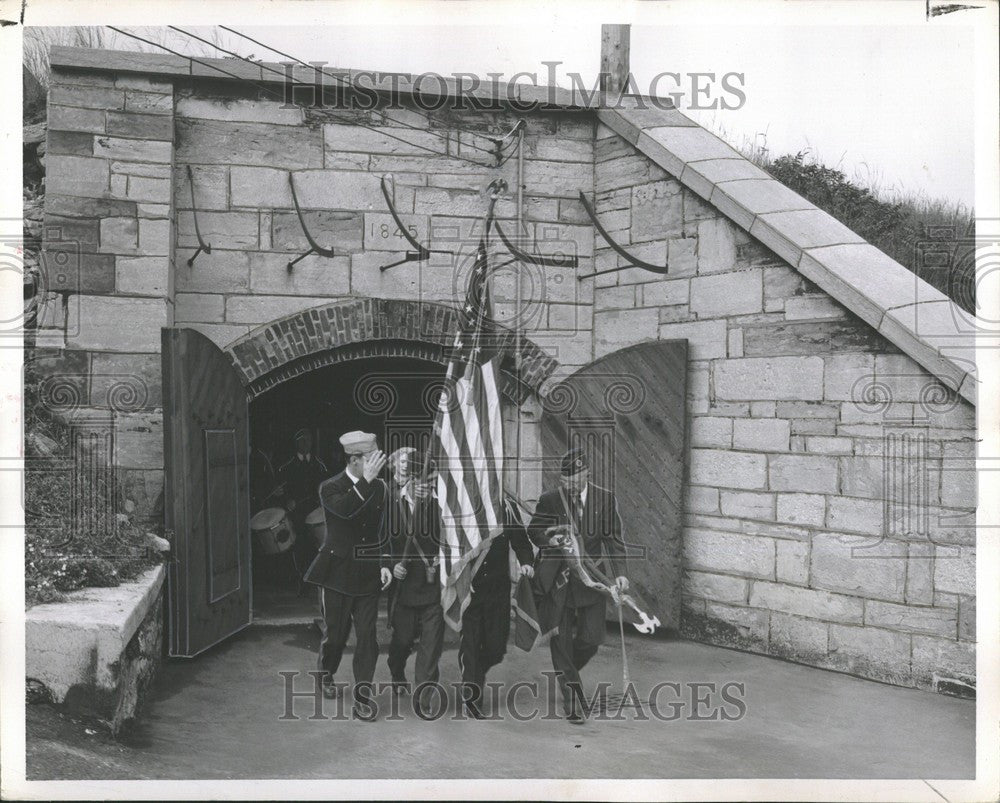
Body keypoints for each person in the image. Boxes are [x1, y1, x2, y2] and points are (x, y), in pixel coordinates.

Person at [528, 447, 628, 723]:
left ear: (587, 474)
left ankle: (568, 673)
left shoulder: (605, 499)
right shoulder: (550, 500)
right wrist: (552, 540)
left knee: (591, 639)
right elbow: (534, 530)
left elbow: (614, 540)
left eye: (574, 482)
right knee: (561, 643)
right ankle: (574, 700)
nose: (569, 487)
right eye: (565, 482)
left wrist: (620, 574)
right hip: (559, 580)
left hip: (591, 581)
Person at [303, 431, 391, 720]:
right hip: (336, 574)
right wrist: (367, 481)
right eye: (371, 458)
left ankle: (362, 698)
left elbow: (384, 530)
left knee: (368, 638)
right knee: (337, 637)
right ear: (355, 460)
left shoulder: (380, 488)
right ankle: (326, 674)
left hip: (367, 575)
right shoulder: (330, 488)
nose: (378, 463)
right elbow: (345, 512)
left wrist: (385, 562)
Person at [459, 496, 535, 718]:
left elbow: (520, 541)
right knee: (471, 645)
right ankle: (471, 697)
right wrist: (460, 580)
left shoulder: (508, 507)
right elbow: (451, 544)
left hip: (498, 590)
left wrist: (527, 562)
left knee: (495, 649)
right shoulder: (463, 499)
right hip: (471, 588)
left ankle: (474, 676)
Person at [386, 448, 445, 715]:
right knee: (403, 639)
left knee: (431, 643)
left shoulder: (441, 505)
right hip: (404, 585)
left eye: (429, 481)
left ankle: (423, 695)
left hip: (433, 584)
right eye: (421, 481)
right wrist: (389, 565)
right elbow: (379, 542)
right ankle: (396, 669)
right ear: (410, 480)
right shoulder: (391, 503)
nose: (426, 486)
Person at [277, 428, 330, 580]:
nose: (307, 443)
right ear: (296, 443)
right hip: (297, 513)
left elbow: (326, 487)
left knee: (317, 544)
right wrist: (287, 500)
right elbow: (279, 490)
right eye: (303, 440)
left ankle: (315, 576)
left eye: (309, 440)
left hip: (315, 511)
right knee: (299, 545)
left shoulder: (320, 465)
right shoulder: (286, 467)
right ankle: (301, 577)